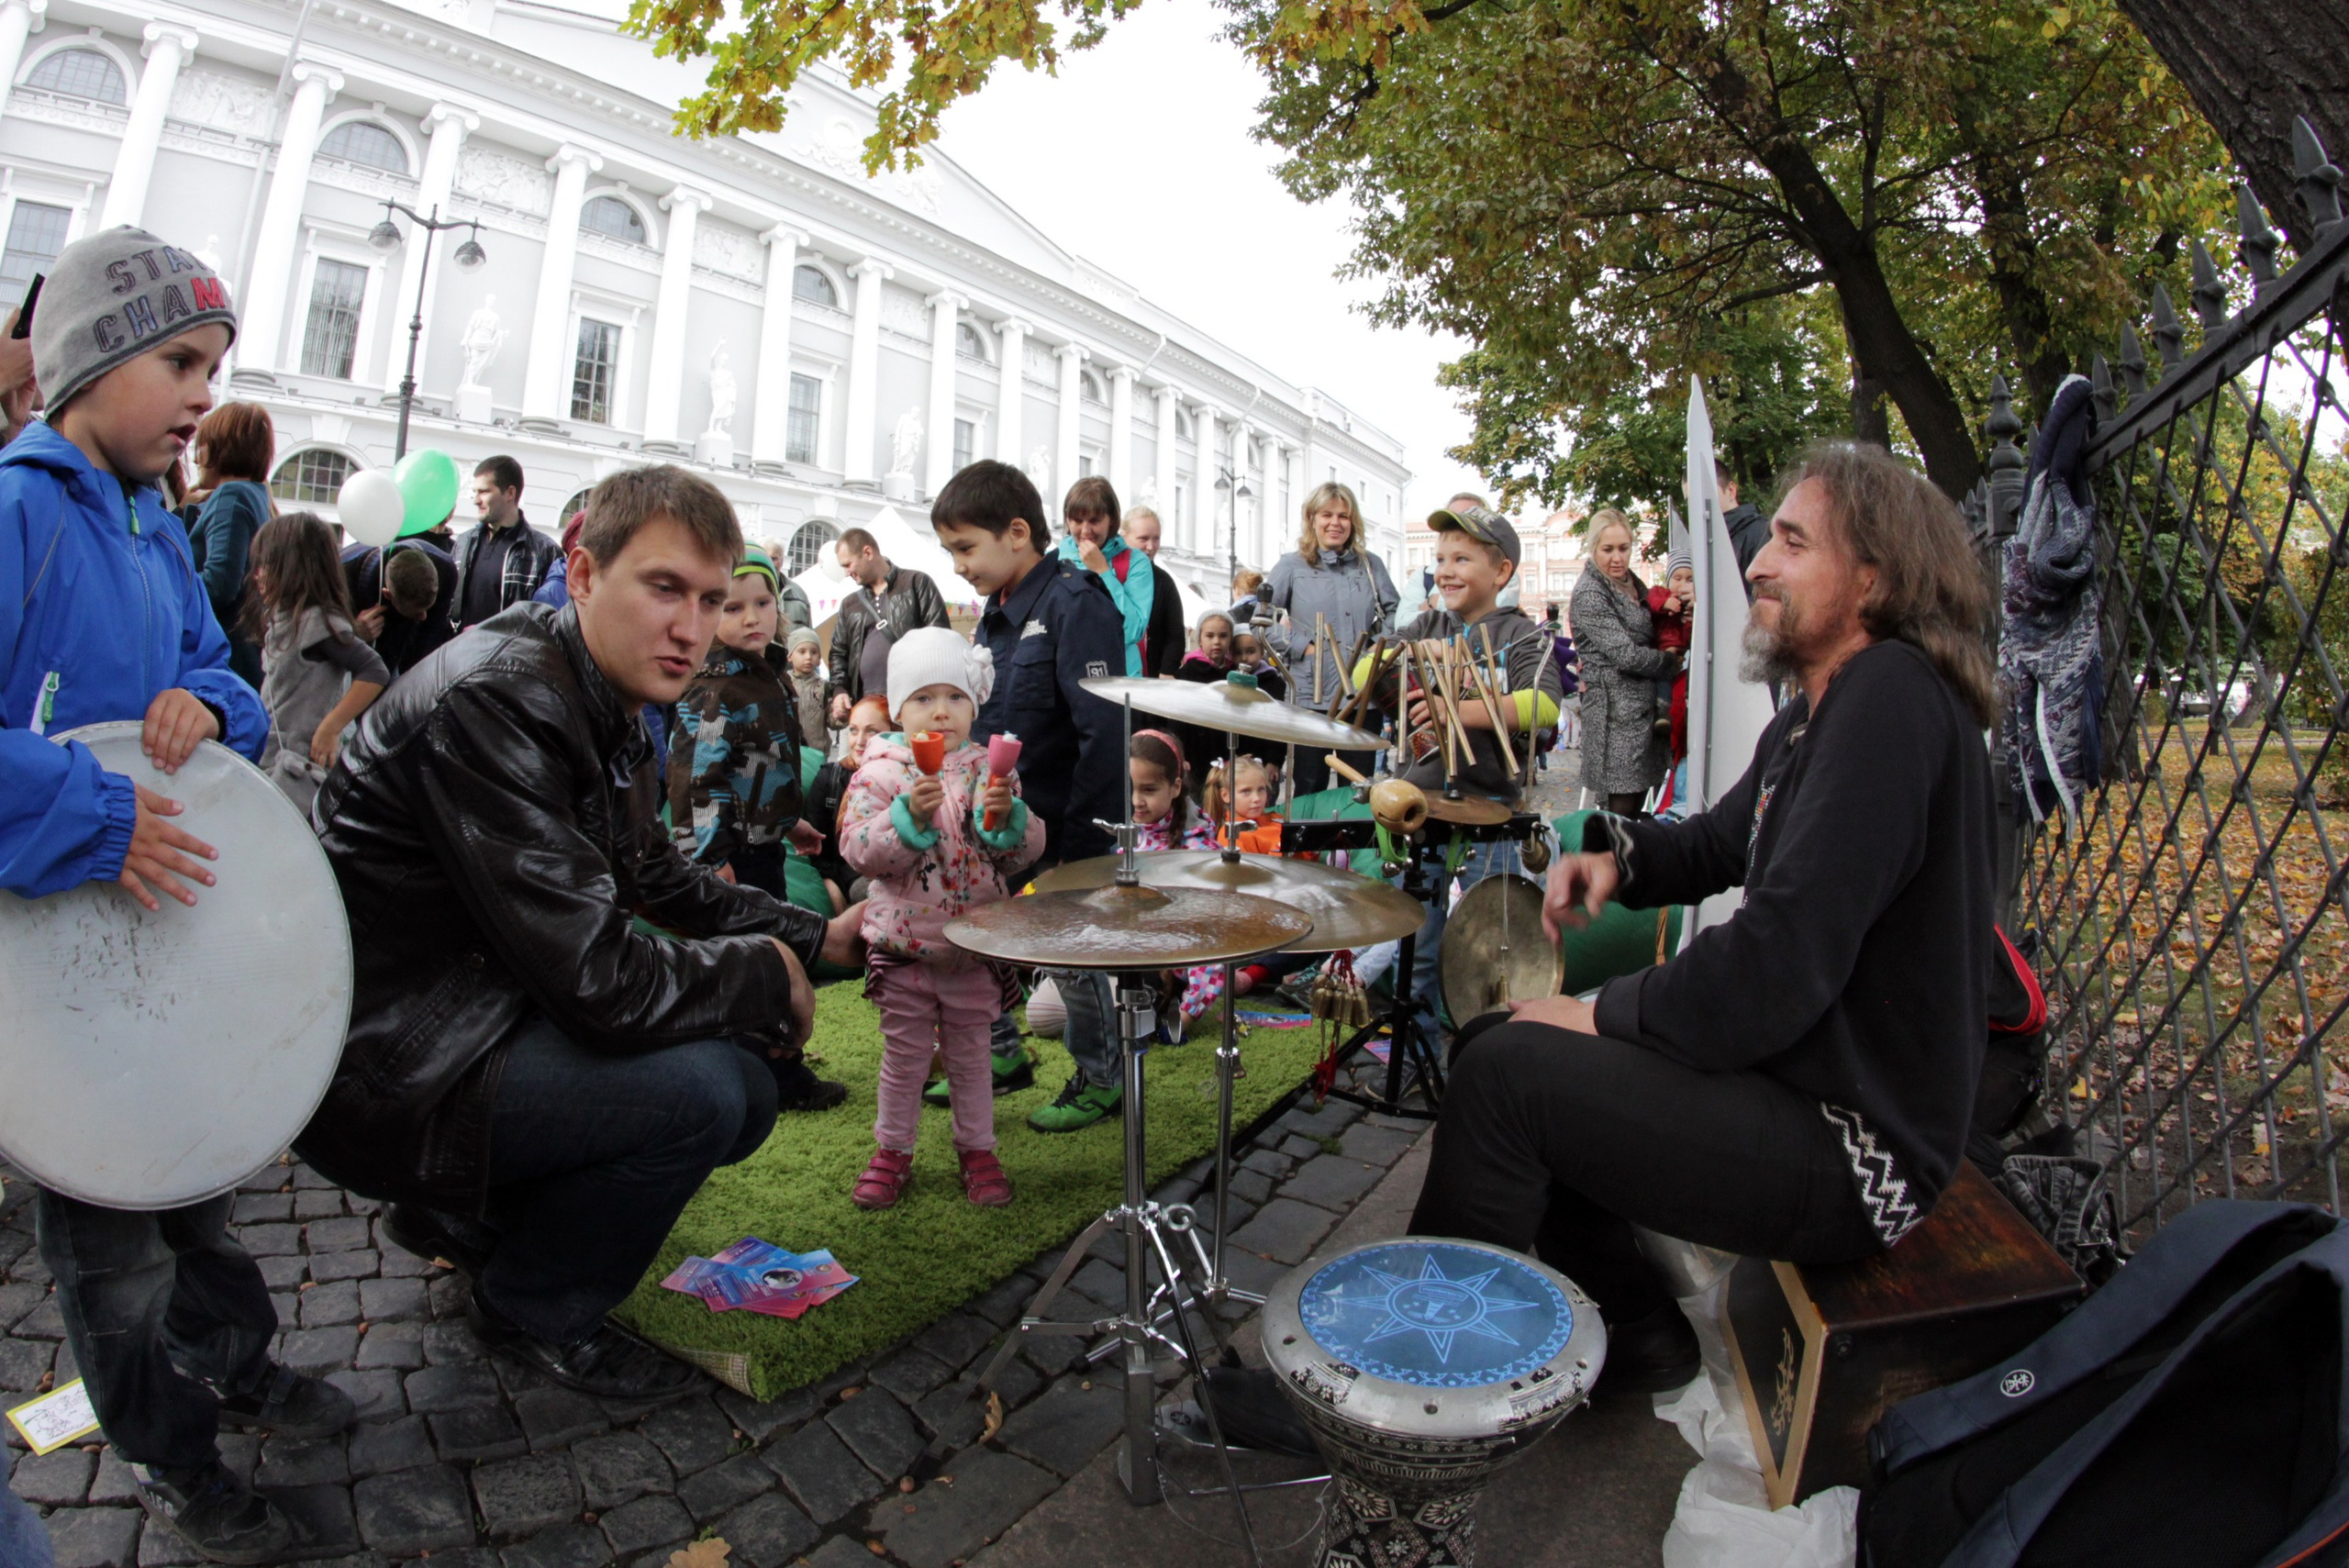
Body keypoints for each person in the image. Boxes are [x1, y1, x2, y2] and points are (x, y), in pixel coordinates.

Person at [299, 464, 863, 1404]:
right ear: (585, 568)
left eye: (712, 598)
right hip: (386, 1064)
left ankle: (465, 1214)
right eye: (665, 587)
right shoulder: (505, 695)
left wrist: (815, 938)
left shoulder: (590, 683)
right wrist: (764, 972)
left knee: (738, 1082)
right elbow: (600, 978)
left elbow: (652, 873)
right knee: (715, 1089)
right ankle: (529, 1301)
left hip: (457, 1016)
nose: (691, 625)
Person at [2, 227, 351, 1564]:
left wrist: (198, 704)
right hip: (47, 965)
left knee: (200, 1187)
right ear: (87, 364)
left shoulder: (157, 526)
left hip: (158, 947)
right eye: (181, 362)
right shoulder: (18, 511)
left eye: (215, 366)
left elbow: (228, 686)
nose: (205, 395)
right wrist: (93, 815)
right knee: (110, 1246)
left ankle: (239, 1361)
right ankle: (167, 1449)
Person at [929, 459, 1126, 1120]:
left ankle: (1102, 1077)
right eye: (950, 550)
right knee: (983, 936)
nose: (957, 564)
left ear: (1017, 531)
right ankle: (1002, 1053)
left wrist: (1079, 847)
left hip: (1064, 826)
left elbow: (1105, 730)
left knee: (1072, 955)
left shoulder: (1076, 602)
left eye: (964, 546)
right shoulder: (995, 611)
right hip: (1001, 820)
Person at [838, 628, 1041, 1209]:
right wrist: (903, 822)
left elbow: (1016, 855)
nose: (941, 711)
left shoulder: (989, 769)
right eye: (923, 698)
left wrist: (1009, 822)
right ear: (897, 708)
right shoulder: (877, 773)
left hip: (973, 945)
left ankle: (977, 1149)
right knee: (904, 1059)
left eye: (955, 696)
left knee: (972, 1056)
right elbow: (858, 852)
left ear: (974, 705)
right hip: (904, 944)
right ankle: (892, 1151)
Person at [1365, 503, 1562, 1044]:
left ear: (1500, 572)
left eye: (1461, 558)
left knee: (1491, 948)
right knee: (1417, 949)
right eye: (1439, 559)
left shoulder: (1520, 635)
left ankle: (1487, 1052)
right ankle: (1417, 1050)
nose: (1444, 570)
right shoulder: (1424, 624)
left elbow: (1545, 708)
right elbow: (1363, 674)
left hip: (1492, 817)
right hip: (1420, 813)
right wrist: (1401, 658)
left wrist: (1461, 704)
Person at [667, 548, 828, 905]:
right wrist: (709, 859)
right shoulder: (714, 691)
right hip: (731, 859)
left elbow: (765, 765)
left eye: (763, 602)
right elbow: (694, 781)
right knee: (749, 952)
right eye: (733, 608)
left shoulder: (769, 675)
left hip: (765, 851)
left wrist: (787, 821)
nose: (752, 618)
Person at [245, 512, 389, 814]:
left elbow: (374, 671)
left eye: (266, 565)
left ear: (292, 568)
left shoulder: (316, 622)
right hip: (274, 758)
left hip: (298, 770)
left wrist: (330, 728)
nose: (257, 574)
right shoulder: (286, 620)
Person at [1263, 483, 1397, 797]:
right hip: (1311, 696)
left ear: (1353, 522)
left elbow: (1395, 613)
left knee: (1360, 785)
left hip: (1363, 692)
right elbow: (1261, 621)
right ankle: (1308, 848)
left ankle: (1354, 847)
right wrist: (1304, 648)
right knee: (1310, 784)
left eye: (1344, 516)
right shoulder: (1291, 565)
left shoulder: (1370, 564)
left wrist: (1377, 646)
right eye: (1327, 514)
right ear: (1312, 518)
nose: (1335, 523)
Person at [1572, 507, 1675, 816]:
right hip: (1614, 715)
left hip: (1641, 711)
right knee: (1619, 808)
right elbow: (1625, 654)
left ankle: (1629, 860)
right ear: (1593, 549)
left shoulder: (1631, 583)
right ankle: (1611, 862)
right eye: (1608, 550)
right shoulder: (1590, 592)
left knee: (1636, 804)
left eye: (1623, 548)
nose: (1617, 557)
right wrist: (1670, 663)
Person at [1125, 728, 1224, 1029]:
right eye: (1131, 788)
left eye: (1149, 790)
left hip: (1163, 978)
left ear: (1176, 786)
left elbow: (1212, 943)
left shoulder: (1200, 856)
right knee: (1046, 1013)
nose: (1136, 800)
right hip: (1125, 959)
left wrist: (1188, 1012)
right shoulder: (1132, 838)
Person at [183, 401, 273, 688]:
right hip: (244, 657)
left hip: (222, 659)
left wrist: (165, 586)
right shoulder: (255, 495)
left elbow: (219, 585)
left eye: (201, 445)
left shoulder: (230, 496)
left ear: (222, 447)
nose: (196, 458)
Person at [827, 525, 949, 724]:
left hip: (912, 705)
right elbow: (839, 653)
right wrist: (839, 690)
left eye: (848, 564)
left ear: (867, 553)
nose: (847, 572)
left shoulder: (916, 583)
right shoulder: (849, 603)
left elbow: (940, 639)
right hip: (866, 709)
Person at [1057, 476, 1156, 677]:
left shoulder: (1136, 562)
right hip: (1069, 679)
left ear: (1111, 520)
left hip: (1119, 680)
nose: (1085, 531)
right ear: (1067, 520)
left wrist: (1102, 571)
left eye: (1094, 520)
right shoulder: (1055, 560)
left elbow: (1133, 630)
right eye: (1077, 520)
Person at [453, 453, 560, 629]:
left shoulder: (545, 552)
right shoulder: (463, 542)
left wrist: (487, 633)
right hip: (459, 653)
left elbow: (545, 623)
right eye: (475, 492)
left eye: (484, 491)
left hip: (509, 655)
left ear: (510, 493)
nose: (475, 500)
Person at [807, 694, 891, 908]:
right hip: (847, 877)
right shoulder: (830, 778)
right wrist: (833, 888)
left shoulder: (904, 778)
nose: (860, 740)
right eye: (853, 730)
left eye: (872, 731)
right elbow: (816, 851)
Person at [347, 533, 458, 678]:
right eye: (417, 613)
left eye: (428, 608)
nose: (424, 616)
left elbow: (431, 632)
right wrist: (353, 633)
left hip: (405, 655)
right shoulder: (344, 576)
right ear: (388, 594)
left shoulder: (446, 569)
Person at [1122, 503, 1186, 677]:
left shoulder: (1164, 582)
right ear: (1124, 537)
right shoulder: (1110, 574)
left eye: (1156, 539)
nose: (1150, 546)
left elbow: (1175, 634)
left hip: (1152, 677)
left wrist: (1167, 670)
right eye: (1143, 539)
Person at [1171, 610, 1235, 782]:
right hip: (1195, 752)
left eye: (1223, 636)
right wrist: (1181, 754)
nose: (1217, 642)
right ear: (1199, 639)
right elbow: (1178, 717)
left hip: (1224, 750)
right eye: (1210, 636)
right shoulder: (1188, 672)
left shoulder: (1233, 674)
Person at [1648, 550, 1694, 757]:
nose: (1683, 583)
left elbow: (1690, 639)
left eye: (1689, 579)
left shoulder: (1691, 605)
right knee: (1662, 680)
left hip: (1677, 656)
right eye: (1678, 578)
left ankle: (1666, 715)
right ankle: (1661, 712)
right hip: (1659, 651)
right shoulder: (1661, 593)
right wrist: (1665, 604)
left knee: (1670, 682)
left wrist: (1688, 622)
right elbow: (1649, 601)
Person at [1720, 459, 1769, 587]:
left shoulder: (1760, 532)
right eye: (1690, 501)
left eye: (1706, 495)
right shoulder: (1709, 543)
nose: (1696, 506)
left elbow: (1771, 597)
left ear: (1730, 490)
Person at [782, 624, 829, 757]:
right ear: (790, 656)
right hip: (789, 754)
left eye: (814, 652)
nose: (808, 657)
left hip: (817, 755)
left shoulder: (824, 686)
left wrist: (840, 714)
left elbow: (833, 721)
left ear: (819, 658)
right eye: (802, 652)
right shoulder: (782, 684)